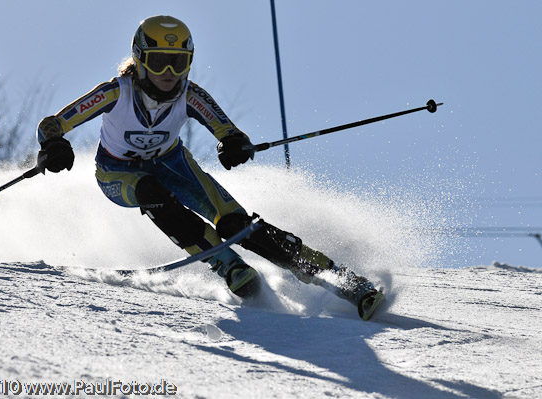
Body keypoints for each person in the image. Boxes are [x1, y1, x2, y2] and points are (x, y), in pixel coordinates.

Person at [36, 15, 381, 319]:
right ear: (140, 60)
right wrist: (53, 145)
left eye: (178, 62)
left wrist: (233, 144)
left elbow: (227, 129)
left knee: (235, 224)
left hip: (173, 163)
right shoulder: (116, 93)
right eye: (158, 62)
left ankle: (343, 280)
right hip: (117, 172)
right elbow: (52, 124)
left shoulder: (190, 94)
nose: (169, 73)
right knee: (150, 192)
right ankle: (228, 265)